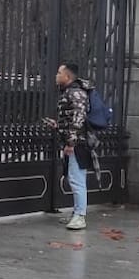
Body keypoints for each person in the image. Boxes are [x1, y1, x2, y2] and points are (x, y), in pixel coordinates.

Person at [45, 62, 97, 231]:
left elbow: (78, 119)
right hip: (74, 141)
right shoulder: (70, 92)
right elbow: (71, 119)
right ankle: (76, 212)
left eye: (59, 73)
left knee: (77, 179)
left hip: (78, 144)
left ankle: (80, 216)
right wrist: (58, 126)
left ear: (67, 76)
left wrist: (71, 143)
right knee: (74, 177)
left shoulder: (75, 93)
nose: (56, 76)